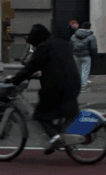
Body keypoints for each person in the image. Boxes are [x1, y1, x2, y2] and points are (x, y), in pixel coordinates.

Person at [3, 24, 81, 154]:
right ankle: (61, 134)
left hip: (57, 86)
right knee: (64, 110)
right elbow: (57, 62)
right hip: (74, 82)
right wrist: (43, 72)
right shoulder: (61, 43)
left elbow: (30, 67)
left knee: (41, 113)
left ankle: (54, 137)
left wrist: (14, 80)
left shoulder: (44, 47)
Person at [70, 21, 98, 92]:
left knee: (78, 70)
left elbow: (70, 45)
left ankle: (77, 85)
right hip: (86, 55)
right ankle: (83, 86)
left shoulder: (74, 35)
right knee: (85, 71)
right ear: (89, 27)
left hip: (76, 55)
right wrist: (93, 55)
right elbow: (93, 47)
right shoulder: (91, 37)